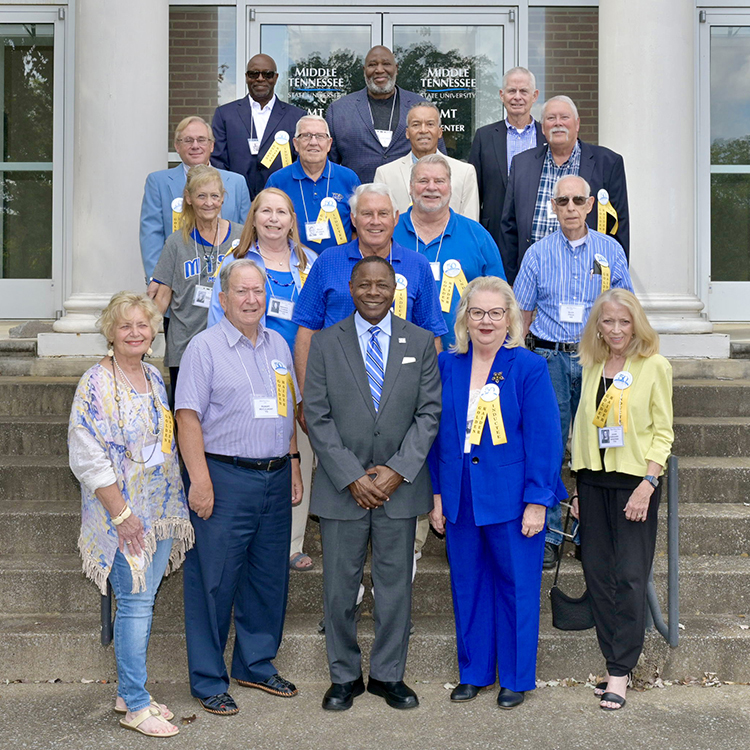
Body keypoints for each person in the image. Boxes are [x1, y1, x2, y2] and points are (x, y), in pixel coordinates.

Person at [304, 255, 441, 711]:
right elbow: (317, 417)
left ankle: (387, 676)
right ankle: (343, 677)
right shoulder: (325, 343)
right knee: (339, 590)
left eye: (382, 284)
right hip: (344, 489)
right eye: (365, 285)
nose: (374, 292)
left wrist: (396, 471)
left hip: (398, 489)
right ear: (351, 286)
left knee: (394, 588)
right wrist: (351, 476)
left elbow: (429, 414)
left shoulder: (420, 341)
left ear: (395, 288)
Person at [428, 276, 565, 710]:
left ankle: (517, 677)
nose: (486, 321)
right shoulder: (448, 365)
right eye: (477, 312)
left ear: (510, 319)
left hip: (512, 498)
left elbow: (545, 439)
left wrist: (538, 501)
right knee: (467, 585)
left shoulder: (528, 367)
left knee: (517, 587)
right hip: (460, 496)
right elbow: (437, 436)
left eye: (495, 313)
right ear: (464, 317)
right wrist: (436, 496)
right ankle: (474, 673)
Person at [175, 258, 303, 716]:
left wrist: (293, 463)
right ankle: (209, 678)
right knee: (214, 580)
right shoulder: (203, 348)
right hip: (224, 478)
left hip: (274, 476)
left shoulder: (279, 347)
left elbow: (287, 410)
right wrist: (200, 481)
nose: (251, 300)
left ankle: (255, 664)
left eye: (258, 291)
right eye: (242, 292)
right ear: (224, 299)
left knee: (268, 577)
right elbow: (186, 417)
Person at [68, 292, 193, 738]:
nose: (136, 333)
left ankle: (129, 690)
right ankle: (136, 706)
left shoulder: (154, 377)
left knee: (144, 599)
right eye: (126, 326)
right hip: (120, 516)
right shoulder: (95, 383)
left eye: (144, 325)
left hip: (159, 510)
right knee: (136, 603)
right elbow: (86, 456)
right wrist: (122, 516)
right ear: (110, 332)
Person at [513, 174, 633, 569]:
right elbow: (522, 314)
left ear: (588, 206)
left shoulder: (610, 250)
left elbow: (625, 309)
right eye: (561, 201)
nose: (569, 208)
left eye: (577, 201)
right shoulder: (536, 254)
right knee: (547, 446)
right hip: (548, 360)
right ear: (553, 207)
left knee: (598, 444)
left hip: (597, 361)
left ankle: (590, 532)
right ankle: (549, 533)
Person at [570, 289, 674, 712]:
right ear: (598, 325)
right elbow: (583, 428)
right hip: (593, 482)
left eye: (624, 322)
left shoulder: (655, 366)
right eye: (607, 321)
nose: (615, 330)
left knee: (630, 576)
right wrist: (578, 487)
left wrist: (648, 485)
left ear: (637, 324)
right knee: (597, 575)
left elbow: (663, 432)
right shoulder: (593, 365)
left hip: (635, 482)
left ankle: (620, 670)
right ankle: (615, 660)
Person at [207, 187, 318, 571]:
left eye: (282, 212)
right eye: (265, 211)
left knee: (297, 457)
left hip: (301, 377)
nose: (273, 218)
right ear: (253, 218)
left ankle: (292, 542)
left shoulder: (311, 263)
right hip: (248, 375)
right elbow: (214, 324)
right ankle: (257, 535)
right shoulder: (234, 261)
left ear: (292, 220)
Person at [292, 183, 447, 413]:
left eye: (383, 214)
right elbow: (307, 332)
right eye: (367, 214)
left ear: (395, 218)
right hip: (336, 395)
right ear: (353, 219)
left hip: (402, 397)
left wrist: (429, 403)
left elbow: (432, 337)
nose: (375, 221)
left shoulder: (418, 266)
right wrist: (309, 400)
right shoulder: (327, 261)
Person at [500, 95, 629, 283]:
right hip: (535, 280)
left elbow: (619, 227)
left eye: (564, 117)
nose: (557, 123)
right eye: (551, 118)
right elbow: (509, 227)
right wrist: (511, 282)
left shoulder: (608, 163)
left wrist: (614, 283)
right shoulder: (522, 164)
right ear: (542, 127)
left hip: (588, 281)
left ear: (577, 124)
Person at [392, 154, 506, 350]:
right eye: (423, 181)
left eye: (439, 181)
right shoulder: (390, 232)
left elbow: (501, 297)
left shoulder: (477, 236)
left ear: (450, 188)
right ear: (410, 187)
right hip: (398, 354)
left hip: (464, 354)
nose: (431, 187)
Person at [152, 165, 244, 397]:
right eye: (201, 196)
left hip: (231, 345)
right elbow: (162, 298)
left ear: (223, 198)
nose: (209, 202)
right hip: (185, 345)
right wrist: (144, 337)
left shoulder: (241, 237)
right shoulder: (175, 243)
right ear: (189, 198)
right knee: (186, 417)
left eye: (215, 196)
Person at [140, 116, 250, 293]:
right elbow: (151, 235)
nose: (195, 146)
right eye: (188, 140)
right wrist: (157, 279)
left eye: (201, 140)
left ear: (212, 146)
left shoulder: (236, 183)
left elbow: (246, 236)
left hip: (227, 285)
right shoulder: (158, 182)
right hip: (177, 285)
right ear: (177, 146)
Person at [326, 46, 445, 183]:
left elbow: (438, 159)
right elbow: (328, 167)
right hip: (357, 199)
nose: (379, 70)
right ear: (364, 71)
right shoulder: (340, 110)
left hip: (410, 199)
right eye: (372, 65)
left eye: (386, 64)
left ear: (396, 68)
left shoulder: (420, 106)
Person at [468, 67, 544, 253]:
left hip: (539, 231)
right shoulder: (484, 137)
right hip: (494, 233)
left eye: (523, 91)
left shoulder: (547, 136)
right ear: (502, 95)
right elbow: (474, 190)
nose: (517, 97)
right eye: (511, 91)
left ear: (534, 96)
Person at [211, 54, 307, 198]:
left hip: (281, 200)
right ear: (246, 77)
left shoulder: (296, 116)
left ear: (275, 77)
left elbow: (301, 161)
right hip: (236, 199)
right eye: (254, 74)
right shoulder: (224, 114)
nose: (260, 78)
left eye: (267, 74)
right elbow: (218, 160)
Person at [266, 115, 361, 251]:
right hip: (291, 262)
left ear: (329, 144)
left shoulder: (349, 178)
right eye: (306, 136)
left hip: (338, 263)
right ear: (295, 144)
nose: (313, 142)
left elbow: (358, 228)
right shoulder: (277, 181)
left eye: (320, 136)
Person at [374, 103, 478, 220]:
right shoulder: (385, 174)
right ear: (407, 133)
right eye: (416, 125)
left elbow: (470, 223)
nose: (423, 130)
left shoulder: (465, 172)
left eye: (430, 124)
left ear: (440, 132)